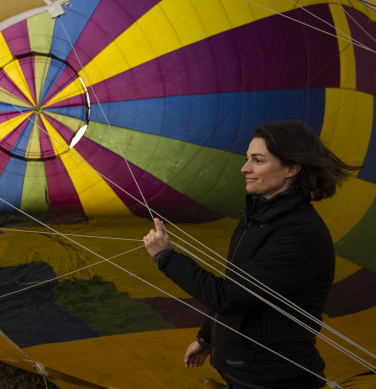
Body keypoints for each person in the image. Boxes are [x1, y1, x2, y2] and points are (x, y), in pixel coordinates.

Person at [143, 121, 361, 389]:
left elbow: (228, 297)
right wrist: (207, 339)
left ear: (292, 168)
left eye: (257, 161)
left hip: (276, 381)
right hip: (242, 375)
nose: (244, 168)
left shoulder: (301, 233)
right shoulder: (256, 219)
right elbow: (239, 287)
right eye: (247, 159)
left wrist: (165, 258)